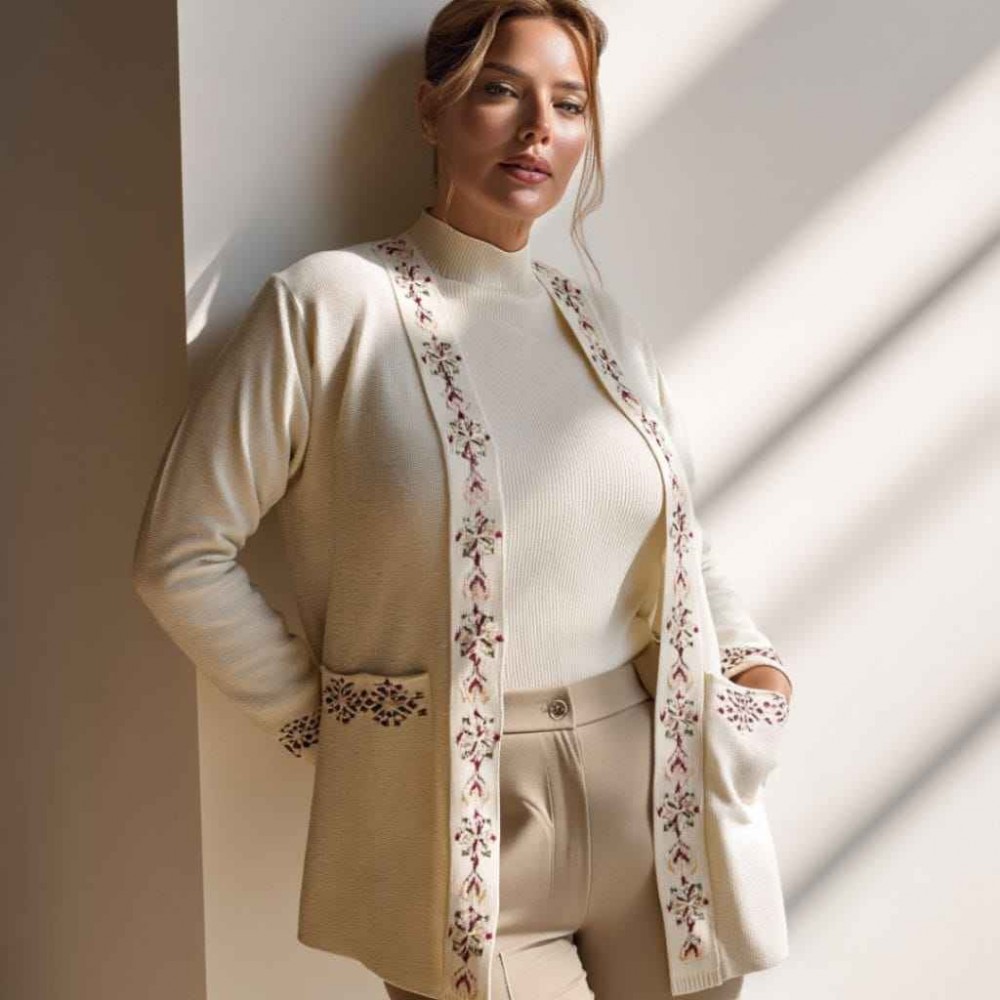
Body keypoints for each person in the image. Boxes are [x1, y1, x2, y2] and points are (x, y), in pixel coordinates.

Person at [131, 3, 795, 999]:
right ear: (431, 109)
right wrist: (330, 723)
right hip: (450, 814)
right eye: (500, 90)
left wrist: (751, 669)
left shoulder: (599, 324)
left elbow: (681, 538)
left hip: (656, 792)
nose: (537, 130)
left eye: (568, 104)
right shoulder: (327, 307)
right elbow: (180, 554)